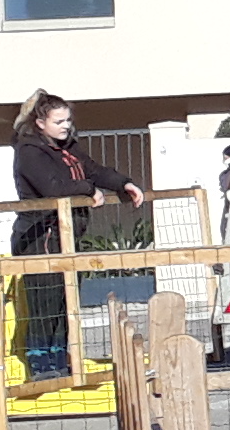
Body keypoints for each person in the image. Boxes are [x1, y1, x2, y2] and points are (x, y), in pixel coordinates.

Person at [9, 91, 143, 377]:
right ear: (40, 123)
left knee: (64, 301)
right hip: (40, 238)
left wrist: (123, 183)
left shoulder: (68, 148)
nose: (65, 126)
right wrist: (88, 189)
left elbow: (93, 170)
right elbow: (53, 187)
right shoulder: (29, 151)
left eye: (67, 120)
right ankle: (40, 365)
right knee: (44, 303)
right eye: (58, 121)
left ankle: (60, 359)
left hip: (68, 237)